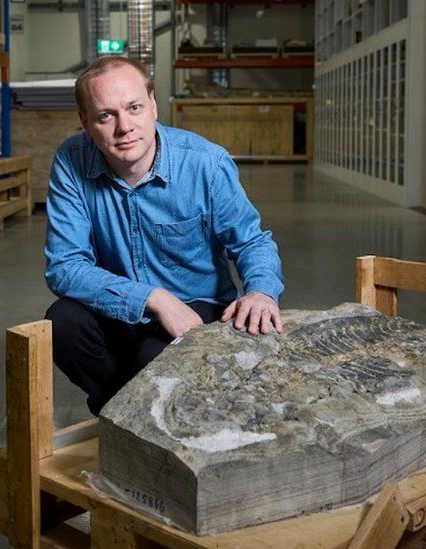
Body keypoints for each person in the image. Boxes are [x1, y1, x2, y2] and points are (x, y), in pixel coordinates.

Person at [44, 56, 284, 415]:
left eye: (134, 108)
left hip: (197, 307)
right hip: (119, 305)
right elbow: (64, 265)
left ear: (153, 106)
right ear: (85, 123)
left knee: (153, 356)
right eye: (106, 115)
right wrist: (154, 298)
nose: (124, 127)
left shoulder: (206, 163)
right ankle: (128, 414)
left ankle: (129, 414)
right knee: (62, 323)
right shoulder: (71, 161)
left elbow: (250, 242)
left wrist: (262, 292)